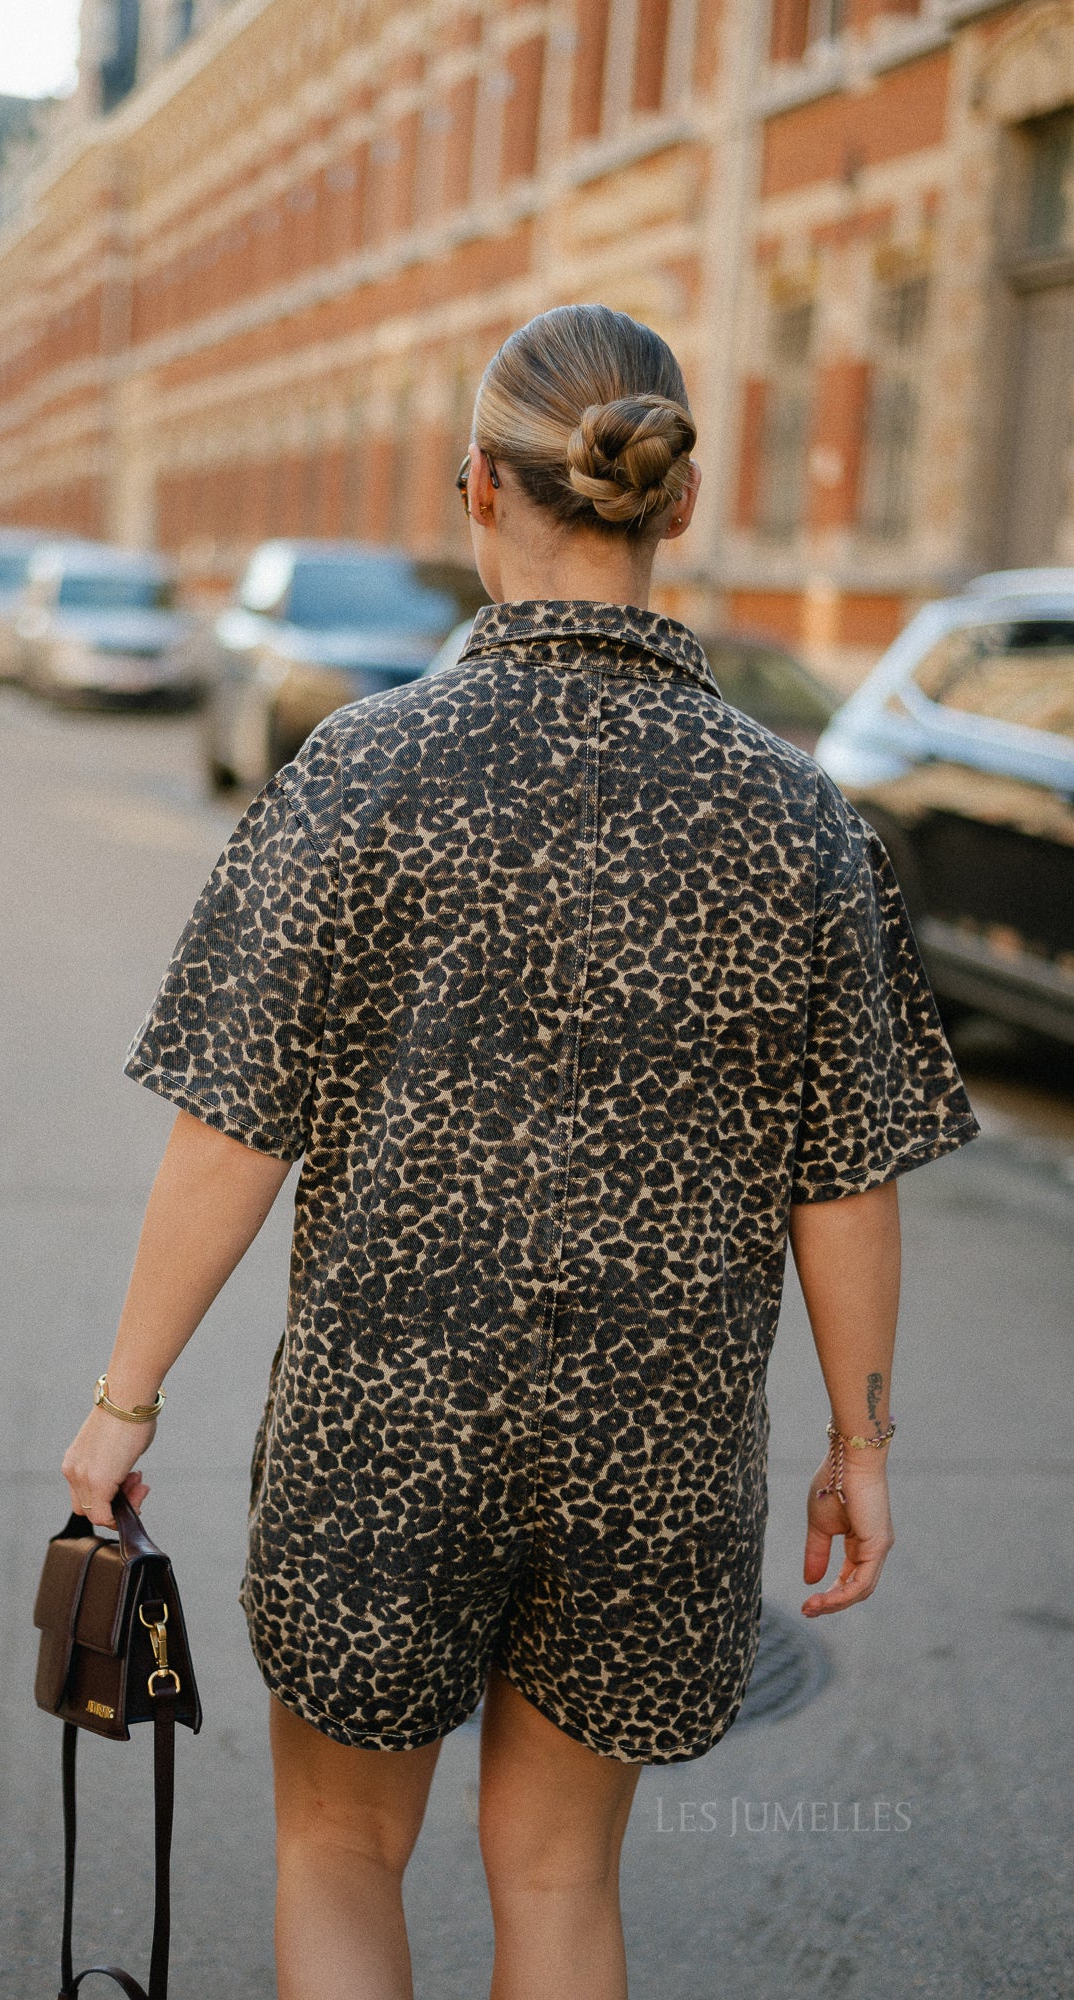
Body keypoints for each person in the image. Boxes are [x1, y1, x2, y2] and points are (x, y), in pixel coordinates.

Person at [61, 303, 979, 2000]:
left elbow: (233, 1119)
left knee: (340, 1853)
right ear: (674, 508)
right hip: (657, 1436)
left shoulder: (363, 769)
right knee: (558, 1884)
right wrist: (858, 1441)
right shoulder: (792, 812)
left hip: (381, 1417)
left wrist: (127, 1396)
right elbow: (844, 1169)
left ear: (473, 488)